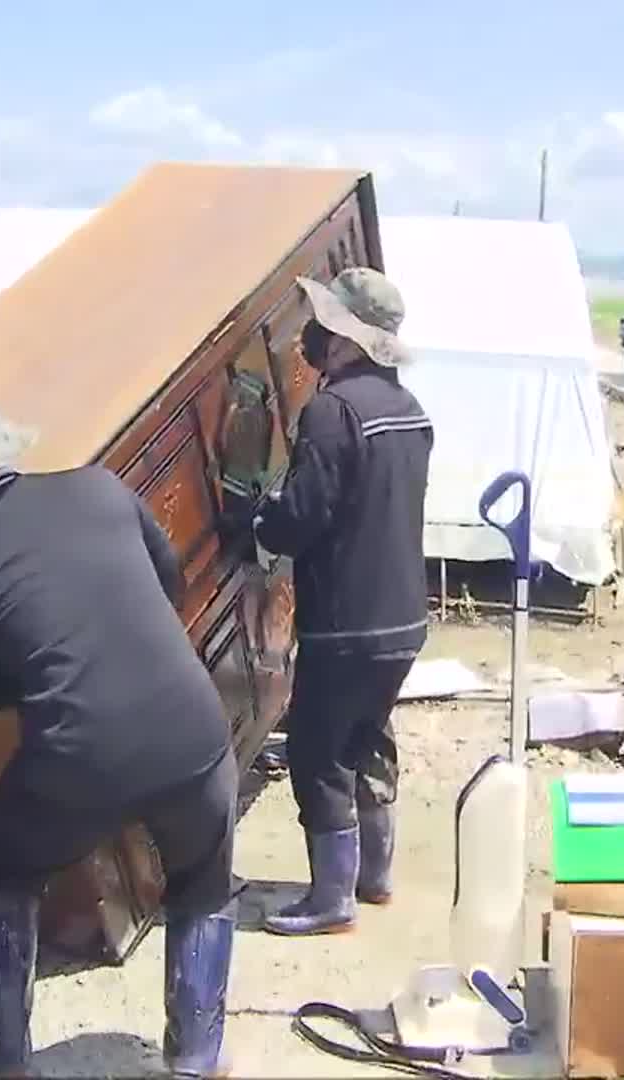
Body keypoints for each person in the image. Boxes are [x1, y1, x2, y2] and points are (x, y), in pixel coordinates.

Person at [0, 377, 238, 1078]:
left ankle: (6, 1057)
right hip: (193, 727)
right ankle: (197, 1056)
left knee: (0, 879)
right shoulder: (100, 489)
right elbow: (167, 586)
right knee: (201, 881)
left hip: (79, 752)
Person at [251, 268, 434, 937]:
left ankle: (331, 900)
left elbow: (305, 514)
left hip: (346, 618)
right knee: (369, 736)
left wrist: (261, 523)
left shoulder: (333, 411)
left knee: (318, 751)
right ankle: (375, 875)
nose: (311, 335)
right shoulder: (407, 407)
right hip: (404, 616)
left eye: (323, 324)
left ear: (347, 338)